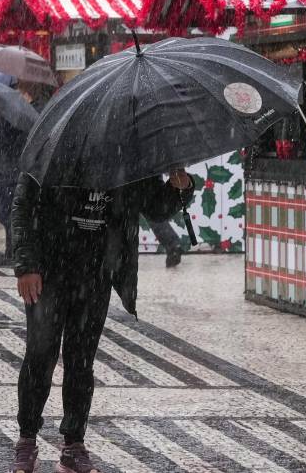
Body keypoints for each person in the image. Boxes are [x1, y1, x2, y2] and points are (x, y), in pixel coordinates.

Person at [10, 169, 195, 473]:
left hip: (96, 272)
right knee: (40, 353)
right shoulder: (55, 144)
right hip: (48, 270)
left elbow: (154, 207)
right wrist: (26, 265)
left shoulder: (125, 154)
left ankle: (73, 444)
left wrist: (181, 186)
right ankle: (26, 439)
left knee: (81, 360)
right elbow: (23, 203)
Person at [0, 74, 31, 267]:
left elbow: (2, 142)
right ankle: (11, 251)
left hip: (9, 172)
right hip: (8, 171)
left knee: (5, 211)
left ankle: (13, 252)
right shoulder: (6, 115)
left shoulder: (8, 116)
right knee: (5, 211)